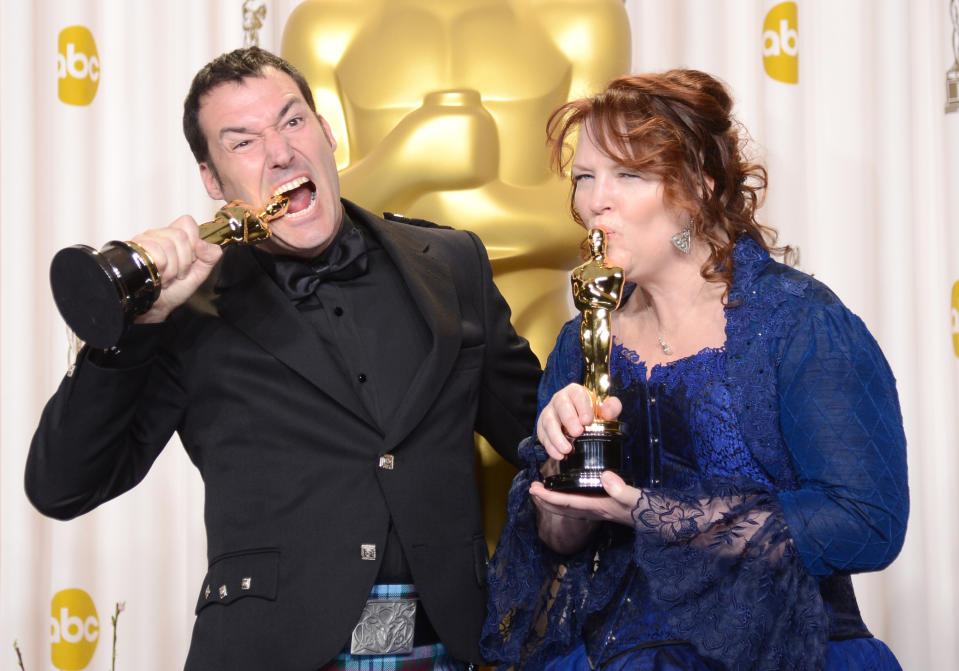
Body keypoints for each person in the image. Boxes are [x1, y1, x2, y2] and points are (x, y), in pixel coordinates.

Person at [25, 47, 541, 671]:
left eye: (292, 122)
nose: (279, 152)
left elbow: (536, 435)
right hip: (269, 649)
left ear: (326, 134)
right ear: (214, 183)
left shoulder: (452, 262)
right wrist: (137, 326)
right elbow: (63, 486)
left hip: (449, 641)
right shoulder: (186, 310)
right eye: (242, 142)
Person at [480, 70, 908, 670]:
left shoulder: (798, 323)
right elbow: (558, 543)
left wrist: (653, 515)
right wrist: (560, 477)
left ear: (701, 187)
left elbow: (868, 522)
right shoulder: (583, 340)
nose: (594, 199)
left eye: (628, 174)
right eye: (584, 177)